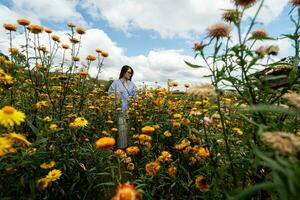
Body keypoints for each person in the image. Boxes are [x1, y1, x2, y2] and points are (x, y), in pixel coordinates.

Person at [108, 65, 138, 148]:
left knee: (129, 131)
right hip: (120, 110)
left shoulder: (132, 84)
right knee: (121, 131)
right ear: (123, 72)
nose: (130, 74)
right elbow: (110, 94)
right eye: (128, 72)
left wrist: (135, 101)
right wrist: (116, 95)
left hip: (130, 111)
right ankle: (121, 150)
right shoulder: (116, 83)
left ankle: (129, 149)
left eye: (131, 73)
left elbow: (136, 96)